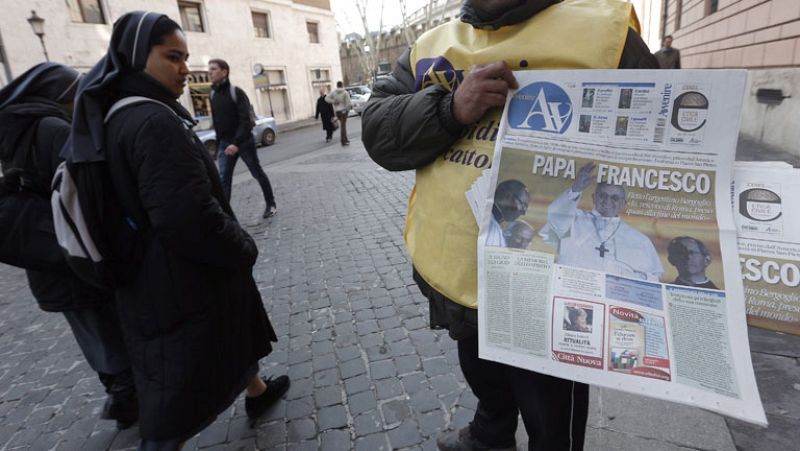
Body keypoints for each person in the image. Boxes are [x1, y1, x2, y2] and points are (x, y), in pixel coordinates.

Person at [362, 0, 658, 449]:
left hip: (551, 289)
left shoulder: (603, 33)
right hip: (458, 271)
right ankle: (491, 432)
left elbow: (661, 138)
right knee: (482, 374)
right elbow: (378, 130)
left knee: (550, 412)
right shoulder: (432, 44)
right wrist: (450, 110)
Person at [66, 12, 289, 449]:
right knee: (175, 390)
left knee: (226, 336)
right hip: (174, 281)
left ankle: (257, 392)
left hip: (157, 274)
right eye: (172, 56)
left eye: (186, 57)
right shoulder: (151, 120)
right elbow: (187, 217)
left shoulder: (118, 113)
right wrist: (243, 246)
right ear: (135, 56)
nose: (186, 69)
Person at [0, 63, 138, 429]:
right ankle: (127, 399)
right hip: (74, 251)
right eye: (75, 90)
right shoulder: (52, 128)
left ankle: (121, 393)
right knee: (108, 329)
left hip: (46, 257)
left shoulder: (17, 131)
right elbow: (85, 188)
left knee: (91, 331)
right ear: (60, 95)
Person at [540, 162, 663, 282]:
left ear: (623, 204)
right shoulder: (573, 219)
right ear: (594, 197)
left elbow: (652, 279)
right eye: (602, 195)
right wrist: (575, 189)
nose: (607, 201)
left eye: (615, 198)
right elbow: (556, 219)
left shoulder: (640, 240)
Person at [207, 58, 277, 218]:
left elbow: (245, 121)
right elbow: (217, 123)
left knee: (257, 172)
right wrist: (219, 146)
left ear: (224, 72)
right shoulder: (212, 95)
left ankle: (271, 204)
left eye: (213, 69)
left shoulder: (236, 93)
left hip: (244, 142)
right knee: (224, 180)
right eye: (209, 69)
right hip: (225, 145)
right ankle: (226, 216)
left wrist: (236, 143)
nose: (210, 72)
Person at [487, 179, 529, 247]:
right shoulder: (489, 224)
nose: (524, 213)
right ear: (507, 196)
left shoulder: (495, 227)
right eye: (523, 205)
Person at [325, 81, 352, 145]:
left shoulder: (334, 92)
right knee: (343, 126)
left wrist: (334, 101)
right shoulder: (345, 92)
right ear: (342, 85)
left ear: (337, 86)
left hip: (337, 111)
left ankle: (346, 139)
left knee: (343, 125)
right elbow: (348, 103)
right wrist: (347, 110)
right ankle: (343, 141)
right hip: (344, 111)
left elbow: (326, 98)